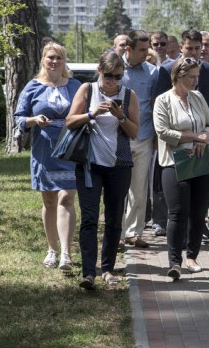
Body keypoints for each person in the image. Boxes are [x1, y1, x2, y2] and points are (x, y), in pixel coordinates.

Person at [67, 51, 140, 290]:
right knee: (89, 218)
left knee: (114, 218)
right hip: (90, 164)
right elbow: (70, 121)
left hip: (119, 166)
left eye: (117, 76)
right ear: (100, 71)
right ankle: (89, 272)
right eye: (108, 75)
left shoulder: (129, 96)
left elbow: (134, 132)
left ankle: (108, 269)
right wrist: (92, 113)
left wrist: (120, 116)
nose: (112, 81)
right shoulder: (87, 90)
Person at [14, 43, 82, 271]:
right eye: (51, 57)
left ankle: (66, 253)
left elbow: (85, 112)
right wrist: (34, 120)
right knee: (50, 201)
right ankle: (51, 250)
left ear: (64, 61)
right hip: (45, 151)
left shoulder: (75, 86)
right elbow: (18, 117)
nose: (55, 61)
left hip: (71, 149)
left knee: (66, 199)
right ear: (43, 60)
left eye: (59, 58)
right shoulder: (33, 87)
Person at [154, 57, 209, 280]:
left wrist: (204, 138)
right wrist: (193, 136)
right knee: (177, 213)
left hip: (202, 160)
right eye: (192, 77)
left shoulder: (198, 97)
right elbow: (162, 131)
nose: (196, 80)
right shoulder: (163, 100)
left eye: (197, 76)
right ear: (178, 77)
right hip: (174, 161)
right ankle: (174, 262)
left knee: (199, 212)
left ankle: (192, 256)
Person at [121, 30, 160, 249]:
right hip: (118, 137)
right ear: (129, 49)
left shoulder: (152, 72)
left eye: (148, 50)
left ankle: (133, 232)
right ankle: (116, 231)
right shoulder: (114, 69)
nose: (147, 54)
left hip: (144, 136)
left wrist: (155, 135)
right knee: (118, 188)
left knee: (139, 189)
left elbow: (154, 106)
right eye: (142, 50)